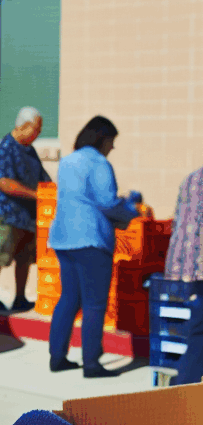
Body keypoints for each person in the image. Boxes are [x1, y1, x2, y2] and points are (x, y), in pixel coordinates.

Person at [47, 116, 143, 378]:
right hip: (90, 239)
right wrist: (133, 210)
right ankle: (91, 363)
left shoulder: (68, 161)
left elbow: (83, 197)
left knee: (68, 298)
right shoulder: (100, 163)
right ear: (102, 138)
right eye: (112, 141)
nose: (112, 147)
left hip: (63, 238)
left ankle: (57, 357)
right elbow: (107, 203)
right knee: (93, 304)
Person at [0, 107, 53, 312]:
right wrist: (35, 195)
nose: (37, 134)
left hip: (28, 216)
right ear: (23, 126)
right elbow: (4, 182)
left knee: (25, 257)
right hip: (6, 213)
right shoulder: (6, 148)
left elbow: (43, 178)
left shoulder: (30, 151)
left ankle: (20, 297)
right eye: (36, 129)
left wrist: (52, 192)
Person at [165, 165, 203, 385]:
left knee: (198, 328)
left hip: (190, 263)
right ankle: (183, 384)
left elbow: (179, 219)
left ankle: (183, 384)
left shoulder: (192, 177)